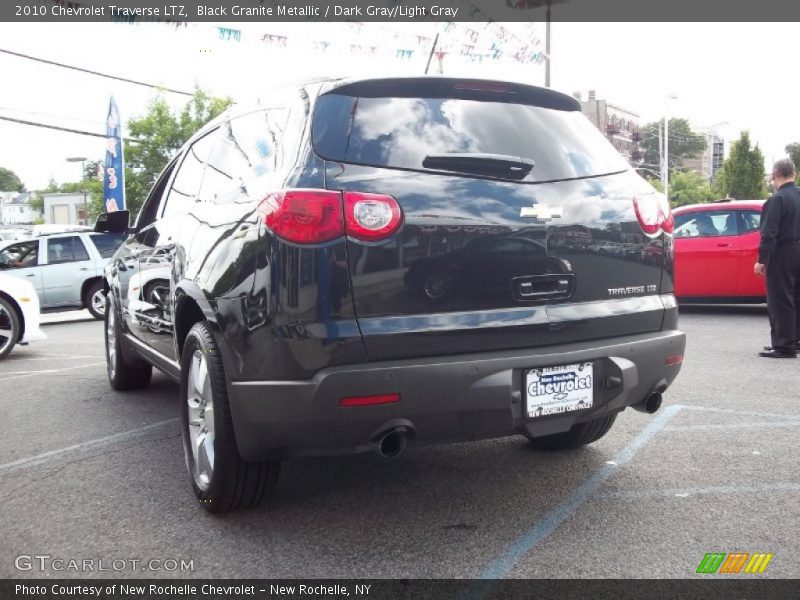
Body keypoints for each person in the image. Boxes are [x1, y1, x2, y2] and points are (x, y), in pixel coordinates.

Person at [755, 158, 800, 357]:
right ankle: (795, 339)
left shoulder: (777, 200)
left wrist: (761, 260)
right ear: (794, 174)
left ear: (775, 175)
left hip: (783, 253)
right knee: (796, 298)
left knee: (780, 299)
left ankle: (783, 345)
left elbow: (769, 234)